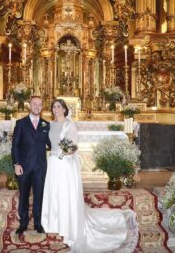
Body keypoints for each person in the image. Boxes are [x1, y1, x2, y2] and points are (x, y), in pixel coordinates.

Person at [41, 99, 138, 252]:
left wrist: (67, 152)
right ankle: (55, 222)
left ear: (65, 109)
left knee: (65, 194)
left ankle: (68, 224)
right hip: (53, 163)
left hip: (65, 163)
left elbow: (74, 146)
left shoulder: (69, 124)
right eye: (54, 106)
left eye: (59, 106)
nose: (56, 109)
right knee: (54, 193)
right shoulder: (49, 125)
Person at [12, 96, 51, 234]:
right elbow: (15, 146)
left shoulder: (46, 125)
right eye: (34, 104)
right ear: (29, 105)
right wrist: (16, 164)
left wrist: (65, 144)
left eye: (39, 104)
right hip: (24, 166)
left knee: (39, 195)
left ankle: (38, 223)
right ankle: (23, 223)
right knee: (24, 195)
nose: (37, 106)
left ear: (42, 107)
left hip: (40, 167)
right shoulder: (21, 123)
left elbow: (51, 144)